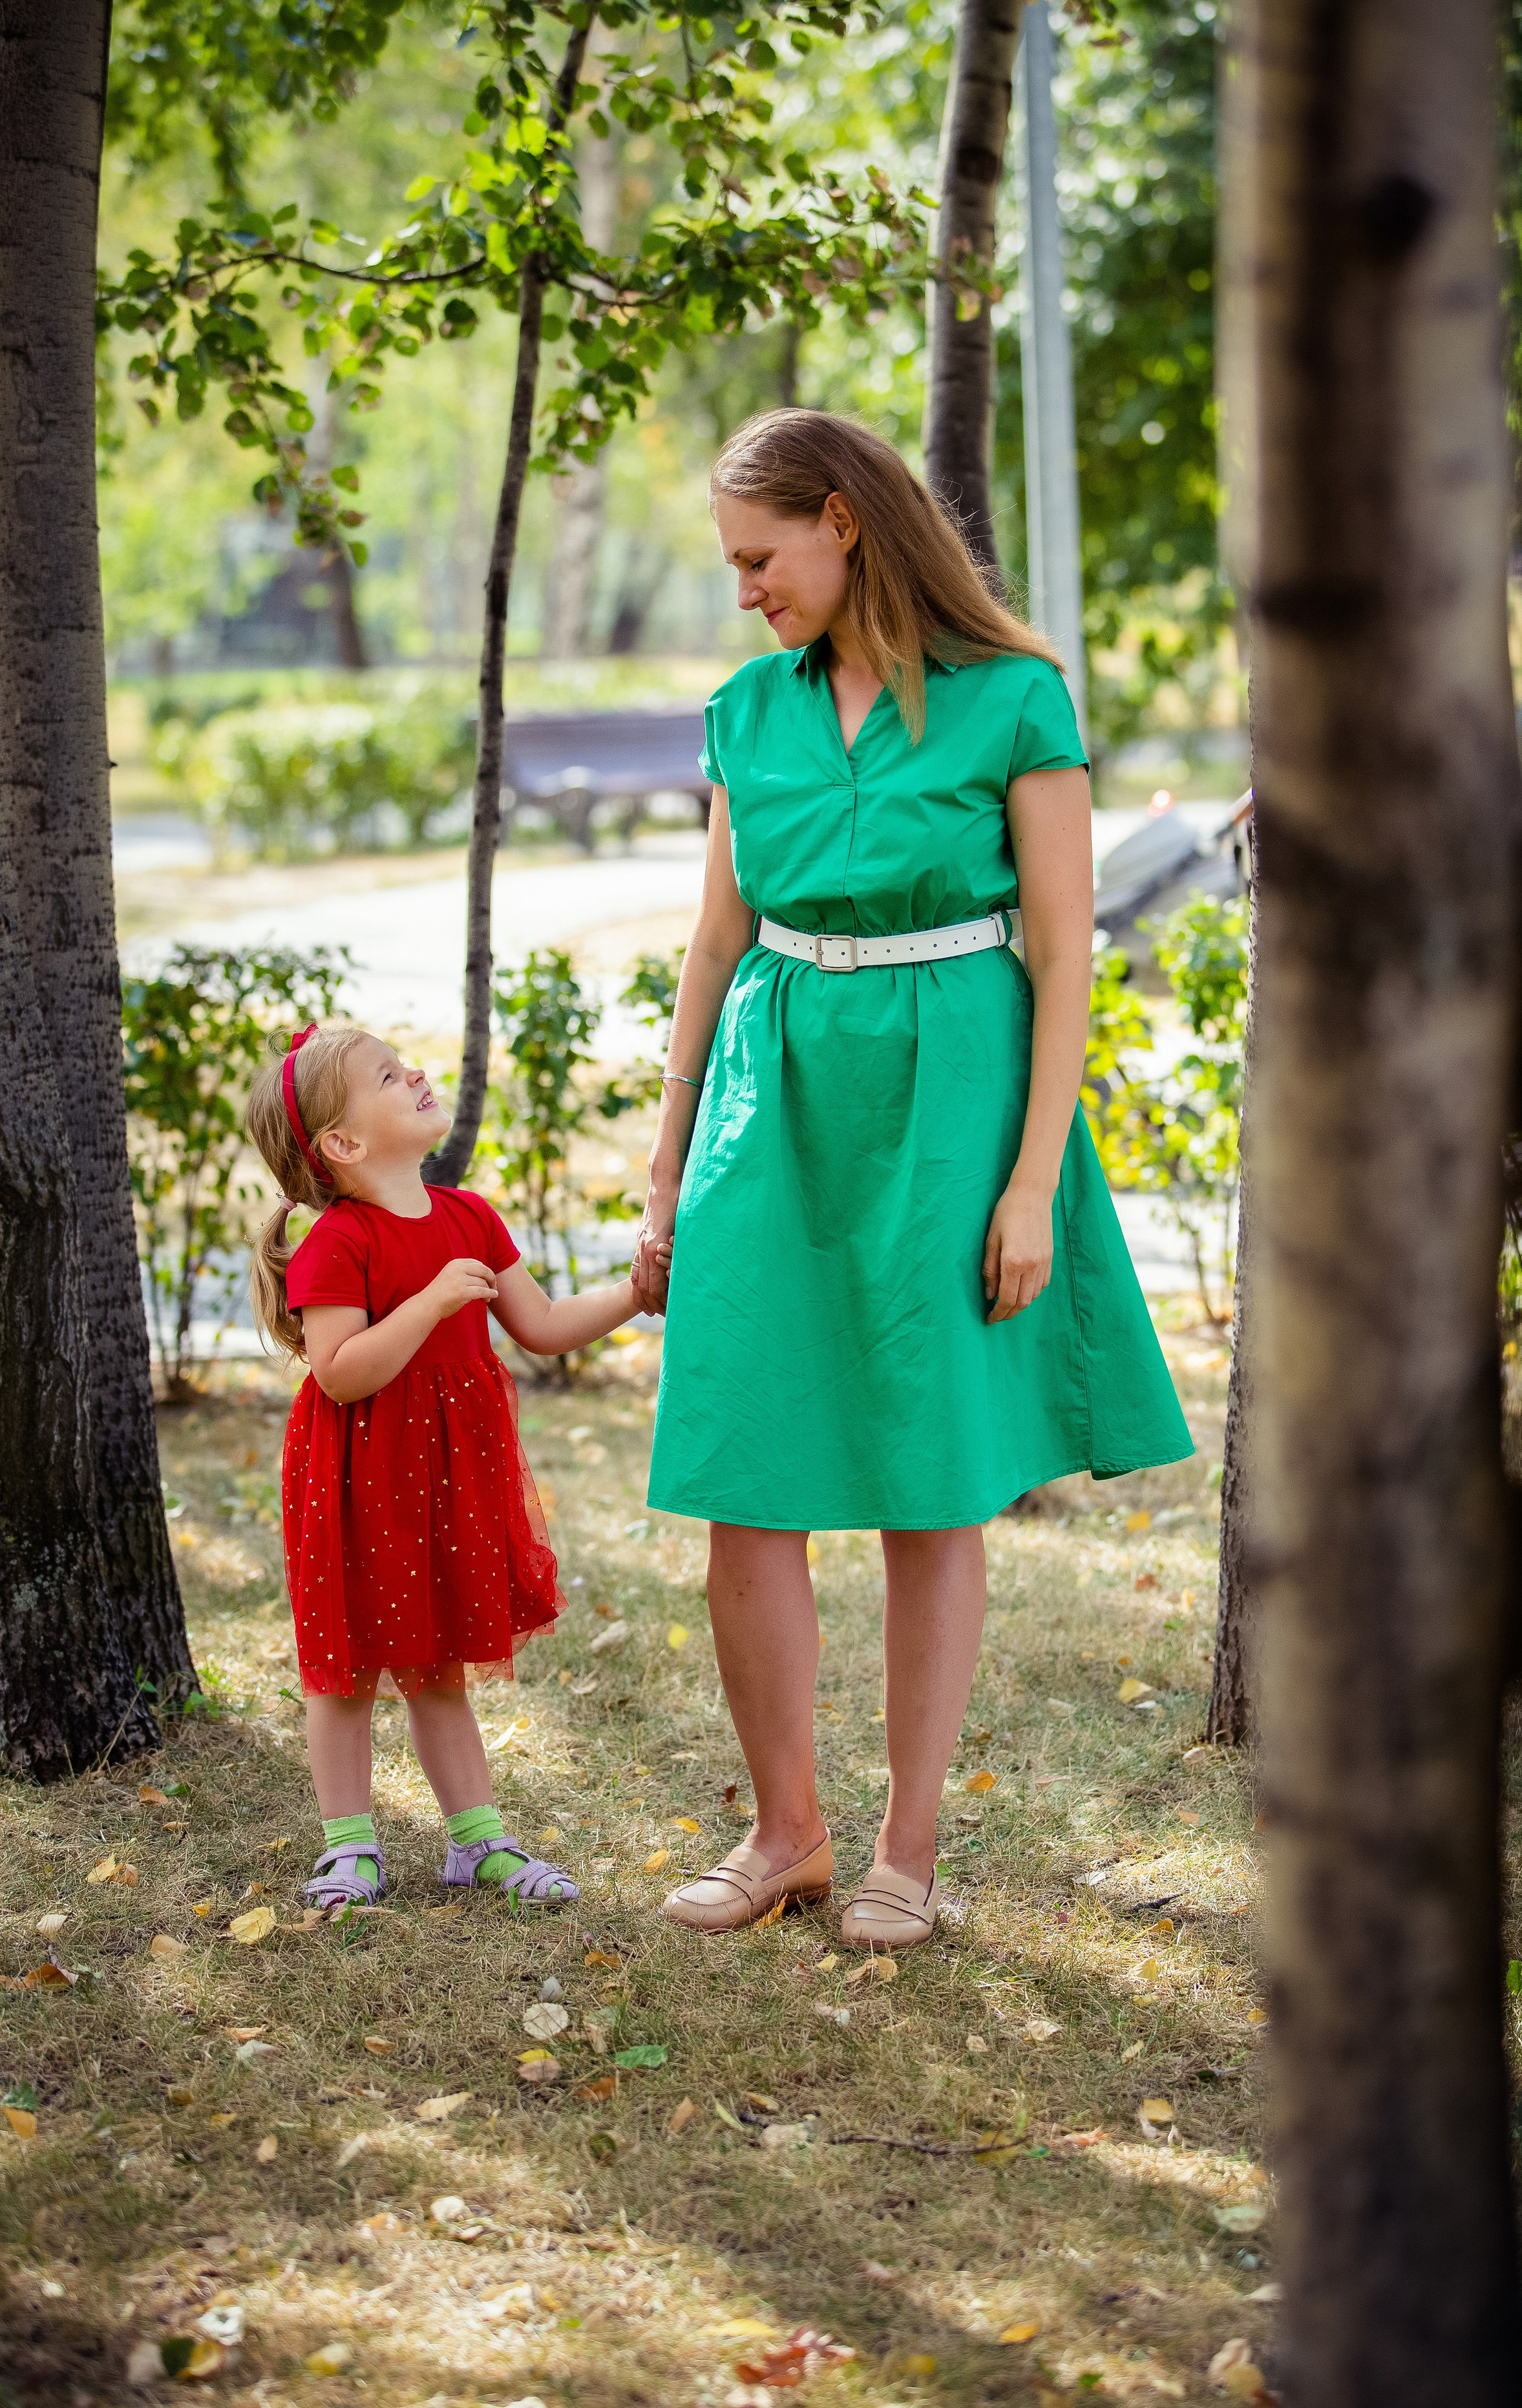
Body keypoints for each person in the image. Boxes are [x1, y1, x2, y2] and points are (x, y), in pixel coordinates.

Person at [633, 408, 1193, 1950]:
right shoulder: (746, 712)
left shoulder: (1015, 698)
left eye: (760, 557)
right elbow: (715, 940)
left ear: (843, 521)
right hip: (774, 1098)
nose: (745, 589)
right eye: (733, 565)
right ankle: (784, 1835)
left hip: (952, 1100)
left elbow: (1064, 954)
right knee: (743, 1474)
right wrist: (668, 1156)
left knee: (927, 1486)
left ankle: (907, 1849)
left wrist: (1029, 1185)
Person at [246, 1022, 646, 1915]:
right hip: (360, 1482)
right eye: (389, 1076)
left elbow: (542, 1326)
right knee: (346, 1670)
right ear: (344, 1145)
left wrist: (636, 1293)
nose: (417, 1073)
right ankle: (350, 1850)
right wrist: (429, 1304)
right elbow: (340, 1373)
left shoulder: (469, 1217)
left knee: (438, 1667)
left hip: (450, 1475)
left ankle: (480, 1844)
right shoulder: (338, 1243)